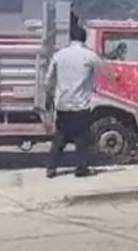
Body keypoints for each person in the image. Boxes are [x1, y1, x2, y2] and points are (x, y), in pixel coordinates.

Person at [44, 24, 108, 179]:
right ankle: (81, 169)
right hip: (81, 106)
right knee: (82, 140)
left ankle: (51, 169)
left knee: (60, 138)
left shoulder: (59, 55)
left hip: (63, 105)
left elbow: (49, 80)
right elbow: (106, 73)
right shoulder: (89, 56)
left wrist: (49, 97)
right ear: (84, 39)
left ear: (71, 38)